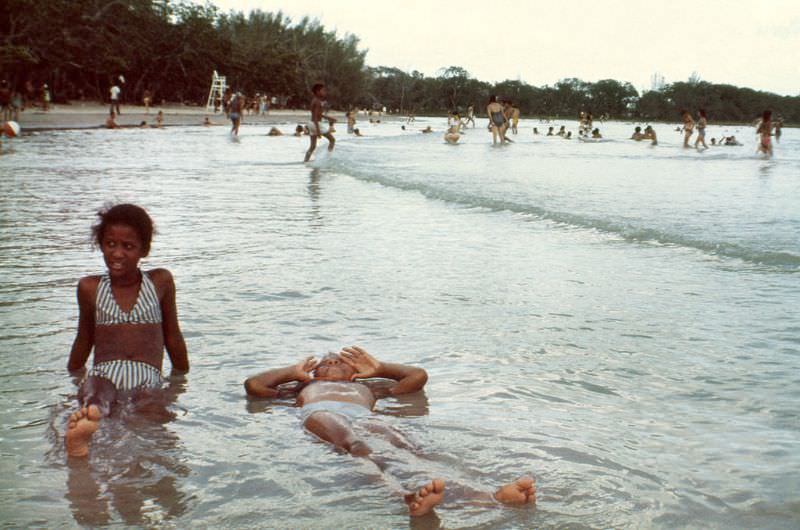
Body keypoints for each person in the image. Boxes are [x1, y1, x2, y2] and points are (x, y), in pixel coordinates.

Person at [243, 347, 536, 517]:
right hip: (320, 414)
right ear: (312, 373)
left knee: (407, 449)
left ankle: (488, 496)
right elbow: (254, 386)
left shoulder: (369, 387)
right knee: (356, 446)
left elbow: (417, 376)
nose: (332, 364)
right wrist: (292, 372)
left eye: (339, 362)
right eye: (325, 363)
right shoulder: (301, 388)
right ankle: (402, 496)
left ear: (354, 371)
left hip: (364, 415)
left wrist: (380, 367)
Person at [65, 204, 189, 457]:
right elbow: (84, 339)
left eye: (128, 246)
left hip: (146, 376)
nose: (117, 253)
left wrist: (181, 378)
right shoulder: (90, 288)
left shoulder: (160, 282)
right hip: (104, 373)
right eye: (110, 244)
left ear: (144, 250)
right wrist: (74, 377)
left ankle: (148, 455)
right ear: (101, 245)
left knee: (152, 409)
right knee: (95, 398)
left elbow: (173, 336)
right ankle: (83, 436)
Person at [304, 83, 336, 163]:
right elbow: (315, 117)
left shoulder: (315, 100)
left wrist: (329, 118)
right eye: (323, 90)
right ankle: (328, 158)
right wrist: (318, 131)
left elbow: (318, 114)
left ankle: (305, 162)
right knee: (332, 140)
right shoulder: (317, 102)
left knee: (312, 146)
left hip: (311, 123)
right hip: (315, 124)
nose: (325, 92)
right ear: (317, 92)